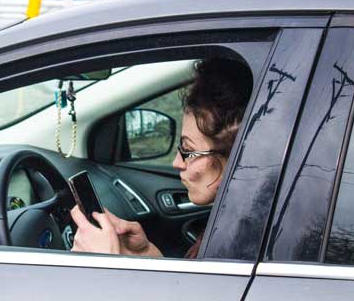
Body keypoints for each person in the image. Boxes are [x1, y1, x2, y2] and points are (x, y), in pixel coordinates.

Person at [70, 57, 253, 258]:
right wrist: (147, 254)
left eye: (188, 151)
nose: (176, 163)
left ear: (237, 159)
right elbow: (190, 288)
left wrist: (107, 261)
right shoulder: (235, 222)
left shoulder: (243, 243)